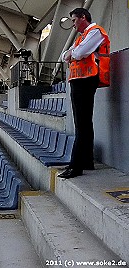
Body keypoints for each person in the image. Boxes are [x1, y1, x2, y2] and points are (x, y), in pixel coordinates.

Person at [58, 7, 110, 179]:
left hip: (87, 80)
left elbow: (79, 54)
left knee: (82, 124)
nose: (73, 25)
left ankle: (76, 166)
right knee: (84, 123)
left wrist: (73, 54)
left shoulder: (95, 32)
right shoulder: (83, 37)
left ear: (83, 17)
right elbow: (64, 56)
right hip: (80, 80)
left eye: (74, 20)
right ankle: (86, 161)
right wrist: (72, 54)